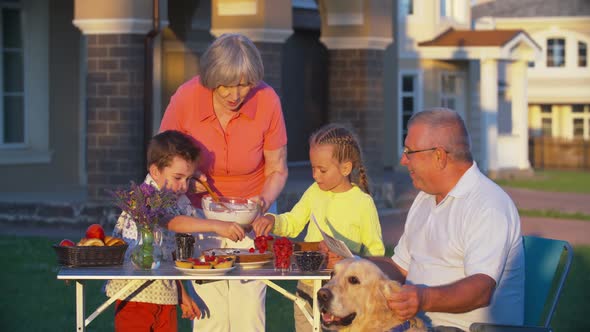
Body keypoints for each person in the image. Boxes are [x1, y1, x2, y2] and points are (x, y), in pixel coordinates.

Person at [323, 108, 525, 331]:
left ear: (438, 155)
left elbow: (481, 289)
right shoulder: (425, 199)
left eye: (409, 151)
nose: (402, 160)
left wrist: (423, 298)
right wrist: (352, 263)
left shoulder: (487, 204)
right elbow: (400, 268)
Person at [159, 33, 288, 331]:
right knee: (211, 307)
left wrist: (263, 202)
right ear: (210, 78)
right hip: (199, 213)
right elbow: (164, 159)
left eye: (244, 84)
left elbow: (277, 168)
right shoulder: (185, 98)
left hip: (252, 210)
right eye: (226, 85)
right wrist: (188, 180)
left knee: (249, 306)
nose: (235, 94)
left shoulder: (267, 100)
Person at [105, 130, 246, 331]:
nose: (184, 186)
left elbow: (170, 253)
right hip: (134, 294)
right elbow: (171, 222)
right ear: (155, 172)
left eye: (188, 179)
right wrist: (216, 225)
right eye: (178, 177)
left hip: (165, 294)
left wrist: (182, 294)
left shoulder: (176, 199)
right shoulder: (144, 197)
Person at [252, 124, 385, 332]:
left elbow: (376, 252)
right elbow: (294, 222)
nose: (315, 175)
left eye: (322, 170)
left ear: (345, 168)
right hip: (308, 283)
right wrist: (273, 220)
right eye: (313, 168)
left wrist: (350, 260)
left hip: (344, 293)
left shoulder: (362, 203)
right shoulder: (314, 192)